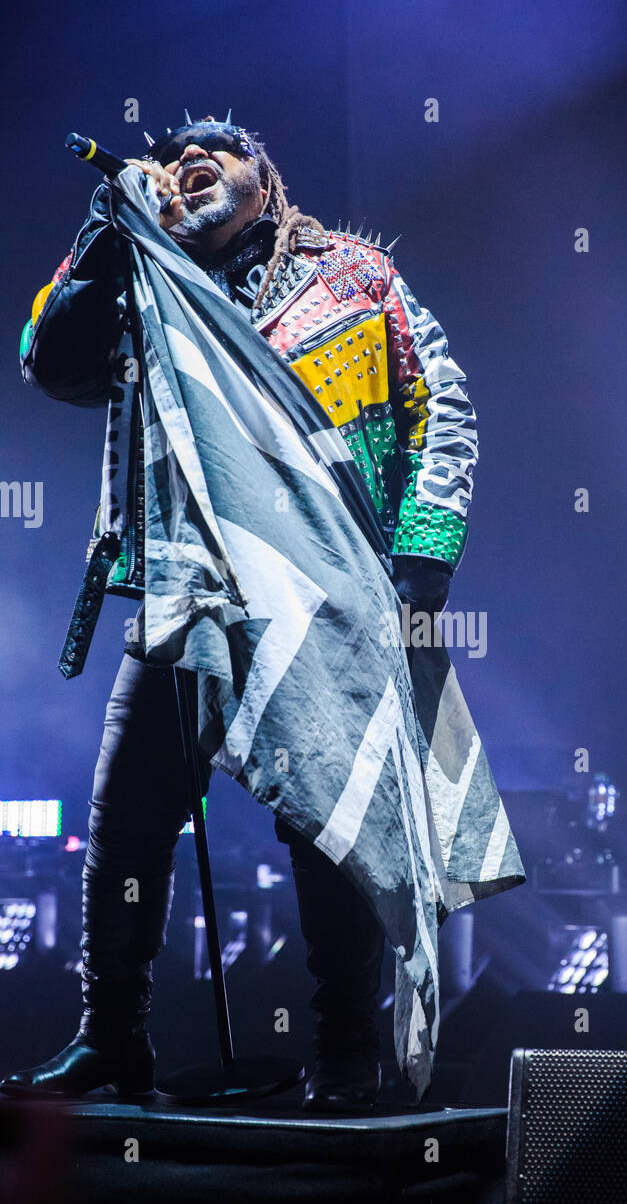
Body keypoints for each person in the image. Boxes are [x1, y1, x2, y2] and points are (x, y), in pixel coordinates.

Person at [2, 115, 479, 1112]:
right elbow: (51, 362)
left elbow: (444, 405)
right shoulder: (146, 286)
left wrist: (421, 561)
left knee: (326, 821)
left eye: (213, 150)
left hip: (319, 593)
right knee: (126, 818)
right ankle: (112, 1039)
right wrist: (107, 228)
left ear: (266, 179)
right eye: (172, 157)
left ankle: (348, 1049)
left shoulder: (352, 280)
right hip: (188, 589)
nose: (187, 161)